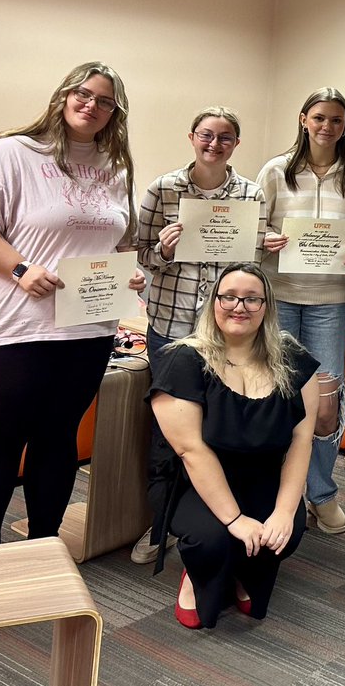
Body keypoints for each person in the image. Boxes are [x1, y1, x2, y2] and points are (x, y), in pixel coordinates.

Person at [0, 61, 145, 548]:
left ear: (115, 113)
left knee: (58, 440)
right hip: (7, 330)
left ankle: (44, 546)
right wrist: (20, 269)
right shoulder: (11, 154)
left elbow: (115, 240)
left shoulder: (114, 168)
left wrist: (127, 270)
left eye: (106, 101)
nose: (92, 105)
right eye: (84, 94)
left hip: (85, 330)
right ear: (63, 96)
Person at [131, 106, 268, 565]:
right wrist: (164, 250)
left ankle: (215, 518)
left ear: (236, 144)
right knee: (168, 433)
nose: (215, 144)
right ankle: (160, 524)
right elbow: (142, 256)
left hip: (226, 333)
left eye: (225, 137)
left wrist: (266, 247)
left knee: (218, 428)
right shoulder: (163, 188)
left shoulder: (250, 193)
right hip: (171, 327)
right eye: (206, 135)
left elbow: (253, 263)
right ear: (192, 137)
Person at [149, 263, 319, 629]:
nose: (238, 306)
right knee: (212, 540)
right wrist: (236, 519)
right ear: (213, 302)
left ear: (267, 307)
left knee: (282, 535)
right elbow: (192, 451)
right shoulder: (184, 360)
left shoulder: (292, 360)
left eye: (251, 299)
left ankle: (242, 569)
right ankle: (199, 575)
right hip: (200, 482)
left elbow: (302, 440)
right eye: (228, 296)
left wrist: (286, 511)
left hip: (264, 478)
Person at [257, 87, 345, 534]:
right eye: (320, 118)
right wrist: (265, 238)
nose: (327, 127)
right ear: (304, 119)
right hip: (280, 295)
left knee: (325, 402)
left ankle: (320, 492)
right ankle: (276, 491)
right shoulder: (275, 171)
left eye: (337, 120)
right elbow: (254, 226)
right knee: (278, 395)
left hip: (331, 301)